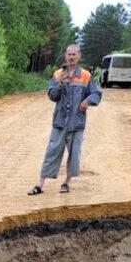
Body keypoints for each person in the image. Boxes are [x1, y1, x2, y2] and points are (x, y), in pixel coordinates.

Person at [28, 44, 101, 196]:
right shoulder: (58, 75)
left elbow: (96, 93)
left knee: (74, 154)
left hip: (77, 123)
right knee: (52, 151)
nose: (71, 56)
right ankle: (40, 184)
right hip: (60, 122)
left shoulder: (86, 76)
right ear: (66, 56)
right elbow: (52, 96)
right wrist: (60, 84)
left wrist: (87, 101)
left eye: (74, 54)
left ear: (79, 56)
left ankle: (67, 182)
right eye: (69, 54)